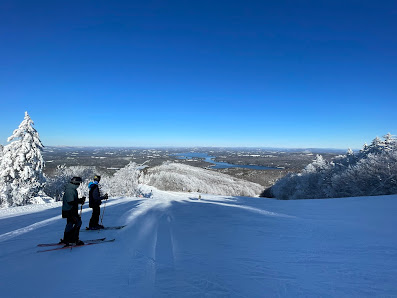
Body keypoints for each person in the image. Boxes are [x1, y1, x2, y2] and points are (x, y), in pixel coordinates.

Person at [61, 177, 86, 246]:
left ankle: (66, 239)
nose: (79, 185)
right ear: (76, 183)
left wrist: (79, 200)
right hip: (70, 210)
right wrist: (79, 201)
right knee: (78, 222)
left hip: (69, 210)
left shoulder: (72, 189)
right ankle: (73, 240)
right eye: (79, 183)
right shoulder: (70, 190)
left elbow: (73, 199)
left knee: (70, 223)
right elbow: (70, 201)